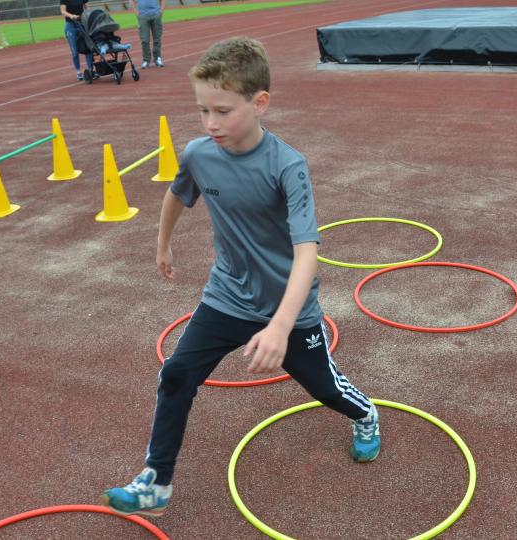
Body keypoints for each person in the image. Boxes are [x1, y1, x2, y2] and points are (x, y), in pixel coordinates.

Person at [100, 36, 380, 517]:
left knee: (323, 389)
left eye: (223, 111)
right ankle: (157, 481)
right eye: (202, 110)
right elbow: (177, 194)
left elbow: (308, 251)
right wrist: (162, 242)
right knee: (177, 374)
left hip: (287, 307)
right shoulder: (198, 153)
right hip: (226, 295)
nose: (211, 123)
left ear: (260, 103)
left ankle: (366, 416)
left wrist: (279, 325)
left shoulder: (287, 166)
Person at [60, 0, 93, 81]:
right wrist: (71, 16)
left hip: (82, 23)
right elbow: (63, 11)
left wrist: (88, 13)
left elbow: (87, 6)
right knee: (74, 51)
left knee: (88, 48)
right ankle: (78, 72)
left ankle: (90, 70)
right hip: (71, 26)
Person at [133, 0, 165, 69]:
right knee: (144, 40)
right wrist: (136, 13)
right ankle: (146, 60)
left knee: (157, 38)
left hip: (156, 15)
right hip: (143, 16)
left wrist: (161, 11)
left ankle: (157, 58)